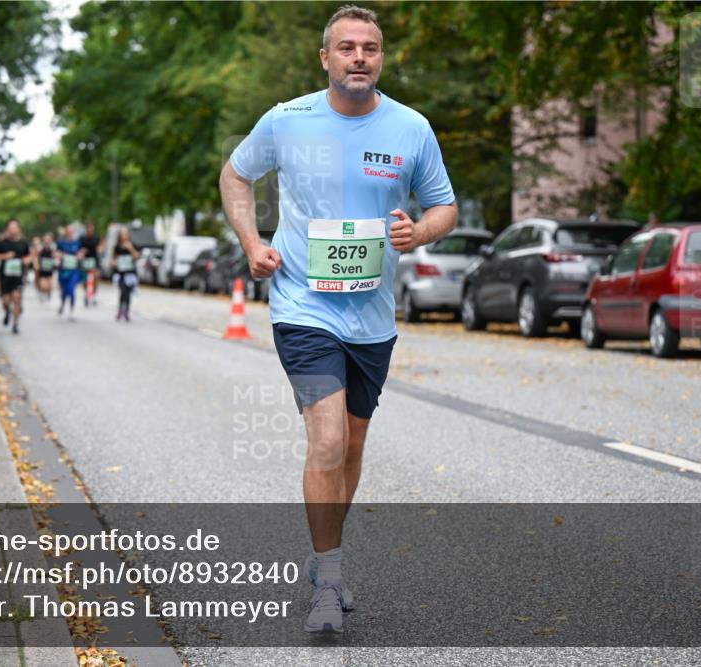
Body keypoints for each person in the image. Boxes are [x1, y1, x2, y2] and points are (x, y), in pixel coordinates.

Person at [219, 5, 458, 634]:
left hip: (374, 317)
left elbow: (444, 207)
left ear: (381, 58)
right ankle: (328, 581)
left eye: (370, 48)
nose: (359, 57)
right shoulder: (288, 120)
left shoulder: (410, 128)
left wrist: (418, 231)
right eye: (346, 47)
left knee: (351, 448)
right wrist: (252, 243)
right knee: (325, 440)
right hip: (303, 304)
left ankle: (325, 557)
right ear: (325, 57)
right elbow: (236, 175)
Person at [0, 219, 32, 334]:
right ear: (7, 229)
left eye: (15, 227)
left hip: (18, 276)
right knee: (5, 302)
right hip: (5, 277)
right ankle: (7, 312)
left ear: (19, 229)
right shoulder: (1, 242)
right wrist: (4, 256)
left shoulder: (23, 243)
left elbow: (29, 256)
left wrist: (25, 261)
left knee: (17, 298)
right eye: (11, 227)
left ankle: (15, 324)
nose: (13, 230)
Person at [111, 227, 140, 322]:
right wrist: (114, 262)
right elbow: (113, 259)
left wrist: (131, 248)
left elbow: (137, 257)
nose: (124, 235)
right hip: (120, 273)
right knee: (123, 291)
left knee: (128, 293)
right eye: (122, 234)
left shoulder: (132, 244)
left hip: (130, 273)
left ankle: (126, 311)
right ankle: (120, 310)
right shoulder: (117, 247)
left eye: (126, 233)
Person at [56, 226, 83, 318]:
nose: (70, 233)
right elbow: (56, 253)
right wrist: (60, 256)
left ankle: (71, 310)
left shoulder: (77, 243)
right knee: (64, 290)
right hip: (63, 270)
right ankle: (63, 303)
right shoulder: (61, 243)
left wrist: (79, 256)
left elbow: (81, 253)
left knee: (71, 289)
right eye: (69, 231)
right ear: (66, 232)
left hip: (73, 270)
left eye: (72, 231)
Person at [80, 221, 103, 306]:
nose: (90, 229)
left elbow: (100, 246)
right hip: (85, 260)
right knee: (85, 279)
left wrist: (100, 249)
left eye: (91, 227)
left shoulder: (96, 238)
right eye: (88, 228)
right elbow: (79, 248)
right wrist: (81, 252)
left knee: (96, 277)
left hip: (94, 260)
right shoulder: (82, 238)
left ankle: (94, 295)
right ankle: (86, 294)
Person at [36, 232, 57, 302]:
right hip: (42, 268)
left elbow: (55, 256)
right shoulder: (40, 247)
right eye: (46, 239)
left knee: (50, 285)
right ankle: (42, 292)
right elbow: (36, 255)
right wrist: (36, 264)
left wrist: (56, 259)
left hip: (50, 268)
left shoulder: (53, 246)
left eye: (49, 239)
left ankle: (49, 293)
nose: (47, 240)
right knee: (43, 285)